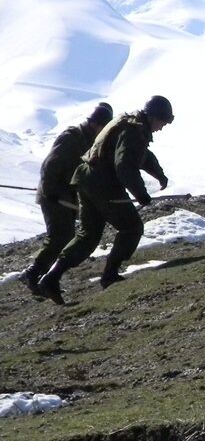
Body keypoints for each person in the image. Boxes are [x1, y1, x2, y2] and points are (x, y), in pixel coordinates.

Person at [36, 96, 174, 305]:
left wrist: (159, 174)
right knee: (132, 227)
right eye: (163, 122)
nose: (162, 128)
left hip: (86, 178)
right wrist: (141, 194)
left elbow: (142, 155)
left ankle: (50, 278)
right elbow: (125, 165)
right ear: (154, 117)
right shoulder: (134, 131)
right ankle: (109, 275)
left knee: (87, 236)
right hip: (103, 184)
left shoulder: (130, 125)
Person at [17, 102, 114, 299]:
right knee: (61, 237)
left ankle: (40, 278)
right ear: (97, 124)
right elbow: (49, 166)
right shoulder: (72, 139)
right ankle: (33, 274)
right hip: (53, 195)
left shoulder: (90, 141)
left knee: (65, 237)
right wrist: (51, 191)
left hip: (68, 198)